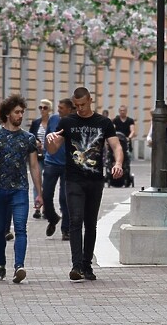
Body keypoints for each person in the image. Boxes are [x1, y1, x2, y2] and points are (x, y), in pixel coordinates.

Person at [46, 87, 124, 281]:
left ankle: (88, 265)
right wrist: (50, 140)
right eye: (76, 105)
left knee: (90, 224)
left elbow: (116, 145)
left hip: (95, 180)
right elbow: (54, 149)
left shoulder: (103, 122)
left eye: (82, 104)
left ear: (90, 100)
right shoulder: (68, 122)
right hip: (73, 179)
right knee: (75, 220)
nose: (79, 109)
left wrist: (118, 163)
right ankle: (76, 266)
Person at [0, 95, 42, 284]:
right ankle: (0, 265)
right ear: (7, 113)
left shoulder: (28, 138)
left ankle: (19, 266)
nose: (20, 115)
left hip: (20, 190)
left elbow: (33, 166)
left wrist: (39, 193)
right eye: (17, 112)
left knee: (21, 228)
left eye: (22, 112)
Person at [42, 98, 73, 240]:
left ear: (70, 109)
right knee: (46, 195)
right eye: (58, 107)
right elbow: (48, 137)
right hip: (51, 162)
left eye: (61, 107)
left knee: (64, 198)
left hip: (67, 165)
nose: (58, 109)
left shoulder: (74, 122)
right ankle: (53, 218)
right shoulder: (53, 119)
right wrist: (45, 151)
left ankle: (66, 229)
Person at [29, 99, 52, 219]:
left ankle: (46, 208)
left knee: (47, 183)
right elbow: (30, 136)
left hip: (49, 156)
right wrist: (36, 142)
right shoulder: (36, 122)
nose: (42, 110)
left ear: (49, 110)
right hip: (38, 156)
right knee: (37, 181)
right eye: (40, 107)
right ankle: (37, 206)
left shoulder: (53, 123)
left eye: (45, 108)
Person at [146, 109, 167, 175]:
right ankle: (158, 183)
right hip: (158, 148)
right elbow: (149, 135)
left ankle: (165, 183)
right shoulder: (155, 123)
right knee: (158, 167)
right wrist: (149, 140)